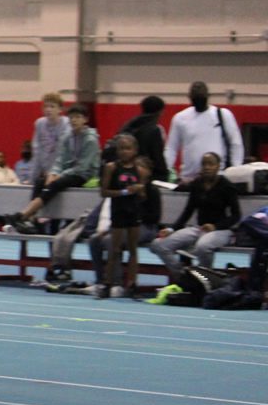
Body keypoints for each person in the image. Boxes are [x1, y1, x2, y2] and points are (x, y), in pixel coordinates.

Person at [7, 105, 100, 233]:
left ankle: (23, 215)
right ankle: (31, 220)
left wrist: (60, 175)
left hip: (85, 175)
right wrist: (53, 173)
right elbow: (60, 159)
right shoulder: (67, 137)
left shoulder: (91, 140)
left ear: (85, 120)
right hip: (69, 173)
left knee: (56, 184)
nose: (74, 120)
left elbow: (82, 167)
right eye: (71, 117)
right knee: (41, 181)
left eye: (78, 117)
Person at [150, 151, 242, 279]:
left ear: (218, 166)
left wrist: (215, 226)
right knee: (158, 244)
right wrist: (172, 229)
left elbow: (236, 215)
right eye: (204, 164)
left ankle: (205, 279)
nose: (207, 167)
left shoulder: (227, 186)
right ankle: (184, 276)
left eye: (211, 164)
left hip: (222, 231)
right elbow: (188, 211)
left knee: (202, 246)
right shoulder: (197, 184)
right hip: (199, 229)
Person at [97, 134, 151, 299]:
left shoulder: (139, 171)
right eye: (121, 148)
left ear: (135, 151)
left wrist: (140, 190)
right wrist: (125, 192)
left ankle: (132, 285)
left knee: (133, 250)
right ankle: (107, 284)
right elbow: (104, 192)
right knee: (114, 250)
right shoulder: (111, 168)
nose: (124, 152)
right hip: (118, 212)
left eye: (128, 148)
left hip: (133, 213)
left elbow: (143, 197)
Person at [165, 81, 244, 183]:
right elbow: (171, 148)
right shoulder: (180, 118)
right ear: (190, 98)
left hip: (218, 177)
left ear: (208, 96)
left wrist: (235, 170)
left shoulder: (223, 115)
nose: (199, 102)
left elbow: (236, 143)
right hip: (190, 177)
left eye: (201, 98)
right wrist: (166, 169)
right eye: (195, 99)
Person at [119, 95, 169, 183]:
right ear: (160, 112)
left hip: (125, 174)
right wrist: (163, 176)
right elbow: (157, 157)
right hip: (146, 176)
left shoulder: (129, 126)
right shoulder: (154, 130)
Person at [29, 92, 71, 196]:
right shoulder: (39, 124)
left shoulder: (67, 124)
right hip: (45, 170)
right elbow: (37, 151)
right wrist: (32, 178)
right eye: (46, 106)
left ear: (60, 109)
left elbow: (65, 151)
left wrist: (56, 172)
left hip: (61, 172)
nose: (48, 109)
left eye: (52, 106)